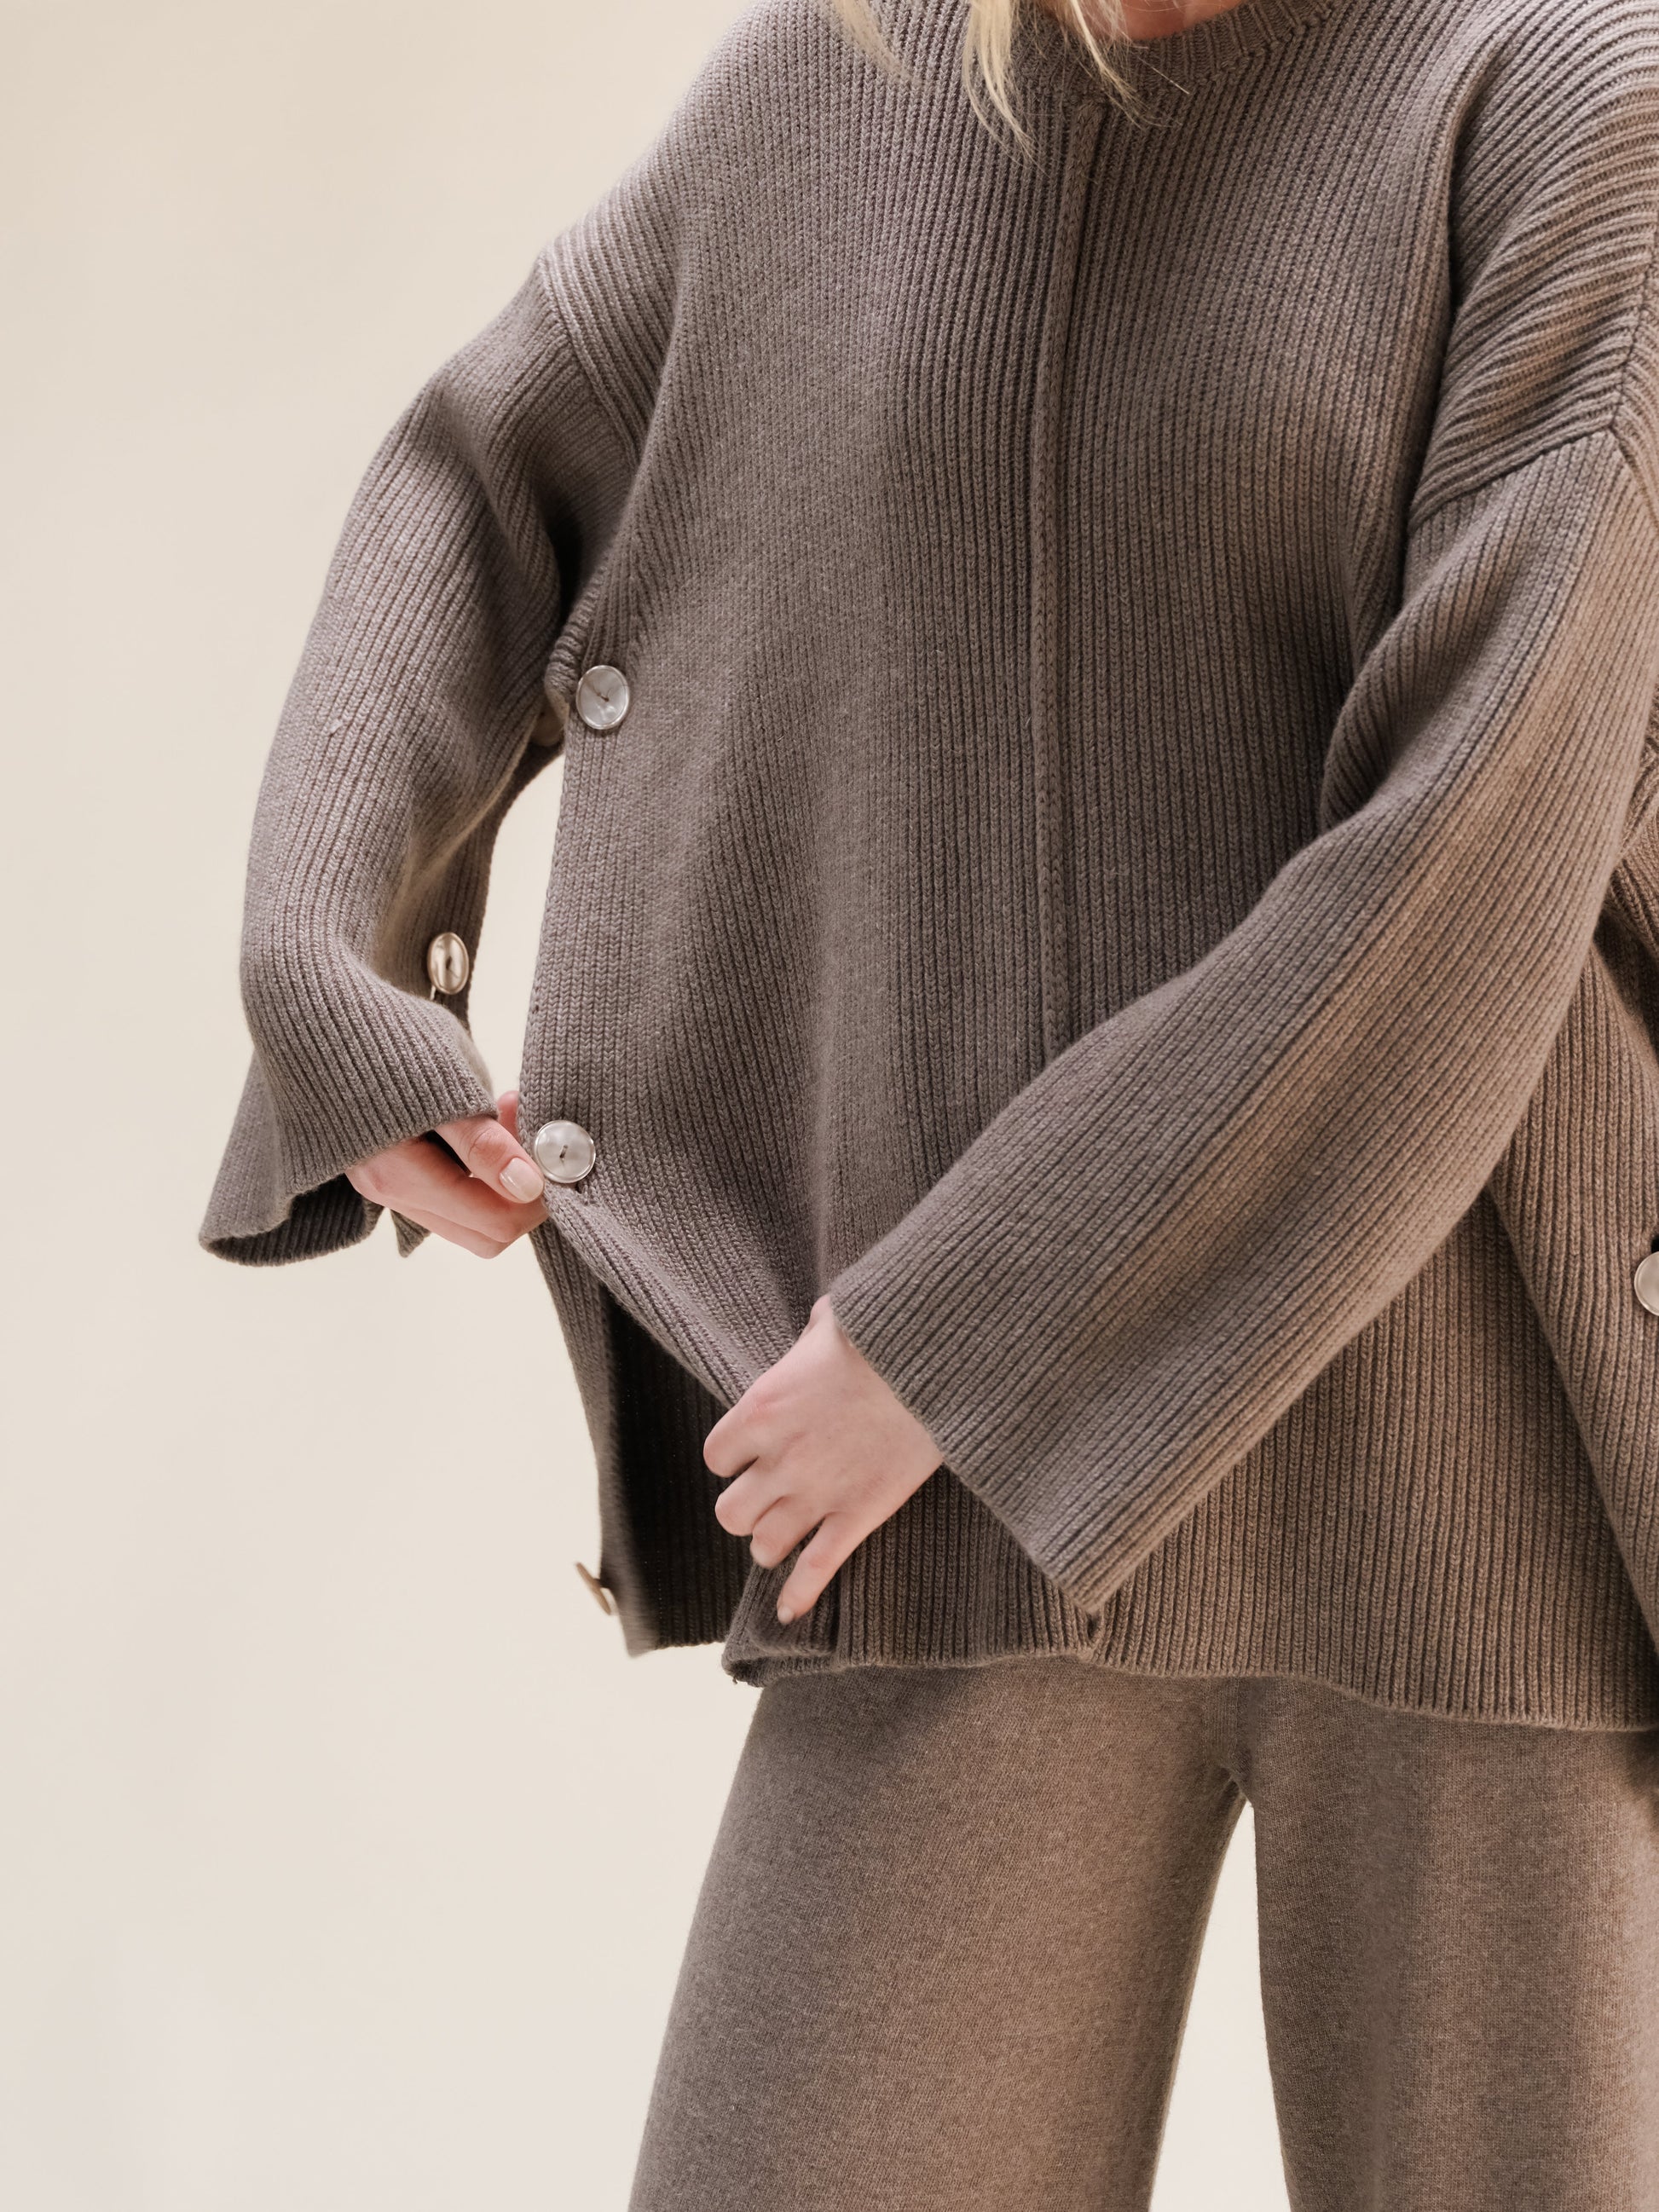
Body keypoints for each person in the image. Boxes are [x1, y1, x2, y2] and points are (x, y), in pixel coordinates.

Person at [202, 0, 1659, 2200]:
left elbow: (1468, 854)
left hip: (1478, 1488)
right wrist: (335, 973)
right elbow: (476, 473)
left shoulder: (1566, 98)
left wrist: (961, 1338)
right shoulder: (846, 77)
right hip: (961, 1508)